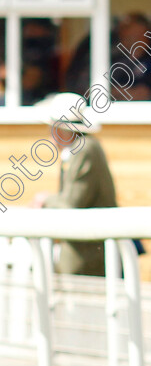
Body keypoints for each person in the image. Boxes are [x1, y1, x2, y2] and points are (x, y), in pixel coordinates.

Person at [32, 92, 117, 276]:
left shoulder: (84, 150)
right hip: (86, 250)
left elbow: (70, 204)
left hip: (88, 253)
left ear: (61, 129)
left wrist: (45, 199)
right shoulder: (79, 150)